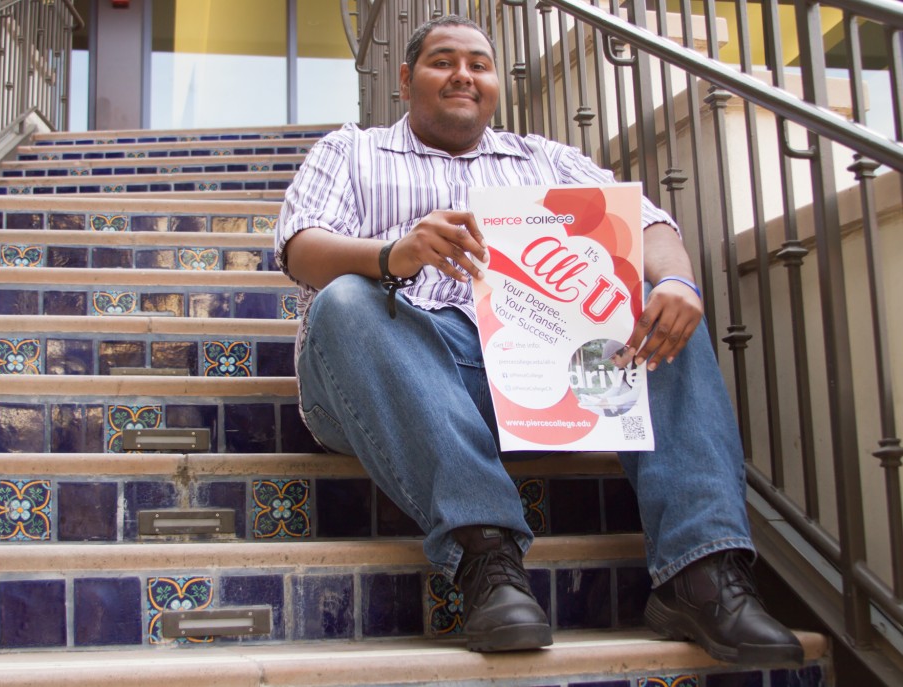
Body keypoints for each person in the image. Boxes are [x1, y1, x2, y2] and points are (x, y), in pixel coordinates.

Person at [276, 14, 803, 663]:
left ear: (497, 82)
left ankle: (701, 573)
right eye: (444, 61)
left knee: (654, 301)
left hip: (529, 377)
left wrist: (680, 283)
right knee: (347, 299)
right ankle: (487, 558)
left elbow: (649, 221)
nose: (464, 74)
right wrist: (393, 253)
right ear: (407, 78)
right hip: (391, 370)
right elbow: (301, 249)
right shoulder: (350, 150)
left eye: (480, 63)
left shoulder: (545, 158)